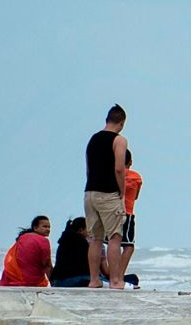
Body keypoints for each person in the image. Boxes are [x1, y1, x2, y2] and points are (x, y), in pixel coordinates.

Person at [82, 104, 132, 289]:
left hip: (90, 192)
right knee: (115, 237)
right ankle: (116, 280)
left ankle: (94, 279)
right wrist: (122, 192)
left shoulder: (93, 139)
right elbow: (119, 167)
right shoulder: (119, 140)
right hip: (109, 193)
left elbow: (88, 169)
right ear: (122, 122)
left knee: (95, 239)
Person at [0, 217, 54, 287]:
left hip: (11, 279)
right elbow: (47, 265)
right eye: (44, 226)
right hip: (31, 282)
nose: (48, 229)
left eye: (49, 227)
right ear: (35, 228)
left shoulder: (22, 238)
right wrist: (54, 283)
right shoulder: (43, 241)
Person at [50, 217, 95, 288]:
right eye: (89, 229)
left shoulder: (64, 241)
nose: (91, 231)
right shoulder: (82, 242)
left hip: (58, 281)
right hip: (75, 278)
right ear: (81, 230)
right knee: (104, 283)